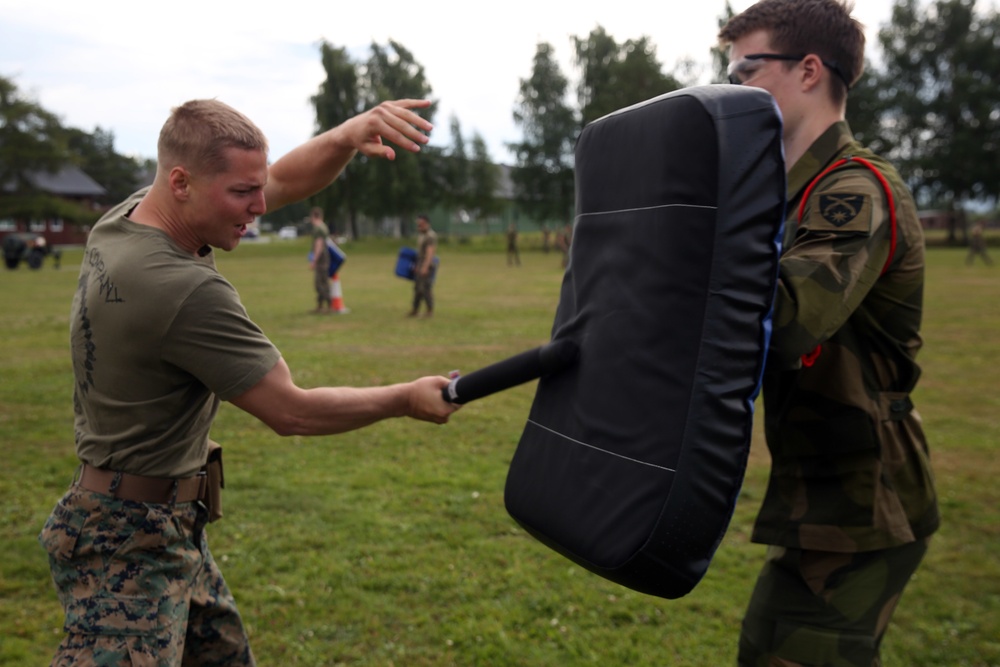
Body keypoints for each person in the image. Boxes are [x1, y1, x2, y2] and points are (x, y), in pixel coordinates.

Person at [38, 97, 459, 666]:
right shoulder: (181, 290)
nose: (260, 207)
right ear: (182, 182)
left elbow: (282, 179)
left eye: (255, 190)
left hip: (156, 521)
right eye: (242, 194)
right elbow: (293, 411)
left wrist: (342, 137)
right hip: (127, 547)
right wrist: (405, 398)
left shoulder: (125, 218)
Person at [718, 2, 939, 665]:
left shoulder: (854, 190)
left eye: (745, 71)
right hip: (827, 490)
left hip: (865, 501)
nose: (733, 90)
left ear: (808, 70)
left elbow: (783, 321)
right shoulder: (790, 191)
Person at [408, 213, 437, 318]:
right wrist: (417, 266)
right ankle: (415, 310)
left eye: (420, 224)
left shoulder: (430, 236)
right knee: (417, 288)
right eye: (418, 224)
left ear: (426, 223)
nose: (418, 227)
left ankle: (429, 311)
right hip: (420, 263)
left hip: (427, 264)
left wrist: (425, 267)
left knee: (425, 289)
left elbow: (430, 254)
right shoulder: (422, 235)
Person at [308, 206, 333, 313]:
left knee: (320, 283)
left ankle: (329, 305)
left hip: (321, 258)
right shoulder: (324, 227)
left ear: (314, 216)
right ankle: (321, 306)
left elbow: (319, 244)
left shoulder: (318, 228)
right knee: (323, 281)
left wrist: (314, 260)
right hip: (325, 257)